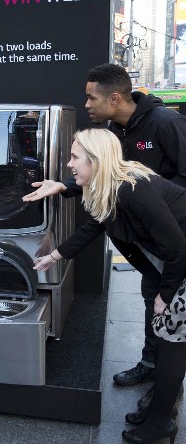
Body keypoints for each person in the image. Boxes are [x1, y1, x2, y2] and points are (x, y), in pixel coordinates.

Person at [23, 63, 186, 395]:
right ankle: (153, 367)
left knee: (169, 311)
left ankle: (164, 395)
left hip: (174, 238)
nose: (86, 105)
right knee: (152, 298)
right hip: (150, 242)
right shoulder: (116, 132)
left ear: (114, 98)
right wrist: (64, 186)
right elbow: (105, 182)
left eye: (90, 98)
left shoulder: (166, 124)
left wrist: (154, 205)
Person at [33, 128, 185, 444]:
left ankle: (160, 423)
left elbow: (177, 248)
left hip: (180, 262)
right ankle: (157, 411)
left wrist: (165, 293)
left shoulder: (132, 189)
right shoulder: (112, 187)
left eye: (75, 157)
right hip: (175, 263)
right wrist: (55, 256)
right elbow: (94, 227)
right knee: (164, 337)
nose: (70, 165)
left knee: (171, 342)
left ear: (96, 160)